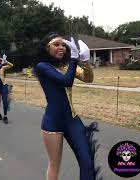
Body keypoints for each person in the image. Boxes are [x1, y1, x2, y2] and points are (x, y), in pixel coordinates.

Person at [35, 33, 95, 180]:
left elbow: (88, 79)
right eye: (56, 44)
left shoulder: (68, 66)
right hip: (53, 123)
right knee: (54, 166)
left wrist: (86, 61)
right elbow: (66, 81)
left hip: (72, 120)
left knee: (87, 162)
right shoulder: (42, 67)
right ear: (47, 48)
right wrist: (75, 58)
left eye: (64, 45)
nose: (61, 47)